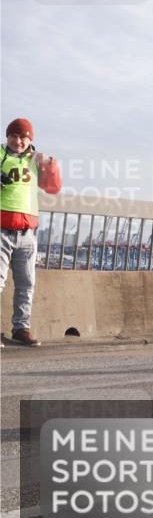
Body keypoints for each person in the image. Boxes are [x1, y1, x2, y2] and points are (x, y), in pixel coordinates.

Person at [0, 118, 61, 347]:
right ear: (7, 137)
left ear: (30, 140)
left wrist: (50, 164)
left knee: (26, 284)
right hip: (1, 229)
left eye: (23, 137)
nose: (18, 141)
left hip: (27, 233)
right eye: (14, 136)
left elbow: (53, 187)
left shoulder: (35, 161)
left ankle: (21, 329)